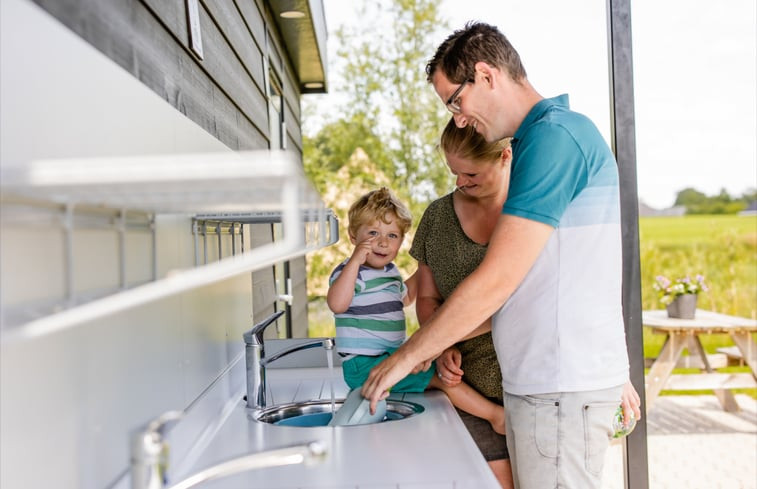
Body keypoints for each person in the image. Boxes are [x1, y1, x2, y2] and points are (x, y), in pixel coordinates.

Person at [361, 22, 642, 489]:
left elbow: (497, 281)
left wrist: (405, 359)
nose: (458, 119)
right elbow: (536, 289)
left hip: (558, 388)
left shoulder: (554, 140)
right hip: (551, 387)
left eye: (455, 100)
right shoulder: (544, 140)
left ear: (486, 75)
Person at [327, 187, 505, 436]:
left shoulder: (389, 273)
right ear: (353, 236)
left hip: (388, 358)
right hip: (363, 366)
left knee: (434, 370)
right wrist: (355, 261)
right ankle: (496, 416)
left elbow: (407, 296)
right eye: (373, 233)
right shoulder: (350, 272)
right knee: (441, 378)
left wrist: (431, 264)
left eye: (392, 235)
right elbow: (337, 304)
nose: (382, 242)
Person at [412, 119, 514, 488]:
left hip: (535, 392)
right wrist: (443, 344)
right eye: (453, 172)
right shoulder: (437, 219)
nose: (459, 182)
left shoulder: (530, 215)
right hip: (466, 392)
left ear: (505, 157)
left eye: (470, 172)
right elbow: (427, 297)